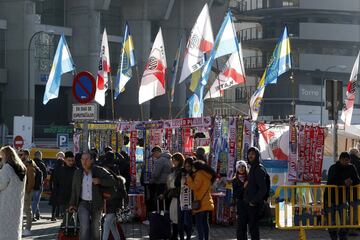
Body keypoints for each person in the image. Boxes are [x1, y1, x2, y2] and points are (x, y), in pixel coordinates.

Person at [69, 152, 115, 240]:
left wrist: (100, 181)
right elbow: (74, 190)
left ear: (91, 160)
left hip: (97, 203)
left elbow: (112, 180)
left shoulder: (98, 170)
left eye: (86, 159)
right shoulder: (78, 173)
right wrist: (72, 204)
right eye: (82, 159)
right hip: (83, 203)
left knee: (95, 228)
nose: (84, 162)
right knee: (84, 226)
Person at [325, 152, 360, 240]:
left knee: (345, 219)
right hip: (330, 197)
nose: (347, 163)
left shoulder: (351, 167)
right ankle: (333, 236)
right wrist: (343, 182)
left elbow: (357, 180)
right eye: (345, 160)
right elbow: (330, 181)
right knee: (331, 219)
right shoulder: (333, 168)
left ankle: (343, 236)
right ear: (340, 159)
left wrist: (351, 181)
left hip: (343, 198)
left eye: (348, 161)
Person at [0, 146, 27, 240]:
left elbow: (1, 184)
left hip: (6, 203)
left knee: (5, 228)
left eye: (2, 155)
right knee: (15, 226)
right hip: (17, 203)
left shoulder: (7, 168)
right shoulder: (22, 168)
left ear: (5, 156)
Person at [186, 160, 216, 240]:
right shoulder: (207, 175)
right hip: (207, 202)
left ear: (195, 167)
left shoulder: (199, 174)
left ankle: (201, 238)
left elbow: (195, 187)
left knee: (199, 224)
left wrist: (188, 179)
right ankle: (206, 238)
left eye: (192, 167)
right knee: (205, 223)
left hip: (200, 203)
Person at [243, 147, 267, 240]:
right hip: (250, 203)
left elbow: (263, 189)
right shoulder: (252, 167)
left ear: (257, 155)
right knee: (252, 228)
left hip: (254, 204)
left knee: (254, 229)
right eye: (249, 154)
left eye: (253, 154)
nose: (250, 156)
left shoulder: (258, 169)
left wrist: (254, 201)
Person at [102, 159, 128, 240]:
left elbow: (117, 195)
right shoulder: (118, 181)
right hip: (114, 206)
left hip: (113, 206)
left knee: (106, 226)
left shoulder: (114, 181)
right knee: (112, 226)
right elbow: (124, 195)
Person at [166, 152, 184, 240]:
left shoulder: (181, 171)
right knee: (173, 215)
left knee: (176, 216)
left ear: (179, 161)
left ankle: (175, 235)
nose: (173, 162)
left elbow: (178, 184)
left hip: (178, 196)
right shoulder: (174, 170)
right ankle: (174, 234)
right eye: (172, 160)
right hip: (174, 195)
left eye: (175, 161)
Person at [19, 149, 36, 237]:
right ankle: (21, 228)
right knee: (21, 210)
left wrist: (28, 191)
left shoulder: (29, 165)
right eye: (19, 154)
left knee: (27, 210)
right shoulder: (22, 164)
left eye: (21, 154)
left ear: (26, 155)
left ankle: (28, 229)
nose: (19, 156)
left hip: (26, 191)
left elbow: (32, 180)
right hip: (21, 191)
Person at [54, 151, 77, 217]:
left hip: (73, 197)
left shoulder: (76, 170)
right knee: (64, 215)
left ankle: (66, 225)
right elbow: (56, 184)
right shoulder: (60, 170)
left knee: (69, 216)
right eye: (69, 160)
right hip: (62, 197)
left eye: (72, 160)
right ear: (65, 160)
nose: (71, 162)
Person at [150, 146, 172, 211]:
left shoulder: (159, 160)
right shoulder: (169, 158)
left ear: (156, 152)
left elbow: (156, 174)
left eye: (153, 154)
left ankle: (160, 216)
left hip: (160, 183)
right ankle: (166, 216)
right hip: (168, 183)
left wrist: (151, 181)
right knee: (167, 201)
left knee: (160, 202)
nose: (153, 156)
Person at [232, 160, 249, 240]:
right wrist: (243, 187)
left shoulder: (249, 178)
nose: (241, 168)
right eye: (239, 167)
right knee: (240, 225)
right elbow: (236, 194)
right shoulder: (235, 180)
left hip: (249, 204)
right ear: (237, 169)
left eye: (243, 166)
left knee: (246, 225)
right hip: (241, 204)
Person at [178, 157, 194, 240]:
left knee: (187, 220)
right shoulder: (181, 172)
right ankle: (181, 237)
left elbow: (194, 186)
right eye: (186, 166)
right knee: (180, 220)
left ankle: (188, 236)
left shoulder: (194, 174)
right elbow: (176, 184)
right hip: (181, 199)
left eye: (189, 166)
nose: (187, 168)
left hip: (190, 200)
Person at [32, 150, 47, 221]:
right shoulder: (41, 164)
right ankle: (32, 216)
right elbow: (45, 175)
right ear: (40, 156)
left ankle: (38, 214)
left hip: (31, 185)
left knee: (35, 200)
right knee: (36, 200)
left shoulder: (31, 163)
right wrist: (42, 181)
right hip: (39, 185)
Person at [49, 151, 65, 220]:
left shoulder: (54, 169)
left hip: (55, 187)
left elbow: (51, 179)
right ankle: (60, 215)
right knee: (60, 202)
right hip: (62, 188)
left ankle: (53, 216)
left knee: (54, 203)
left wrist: (50, 187)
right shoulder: (64, 169)